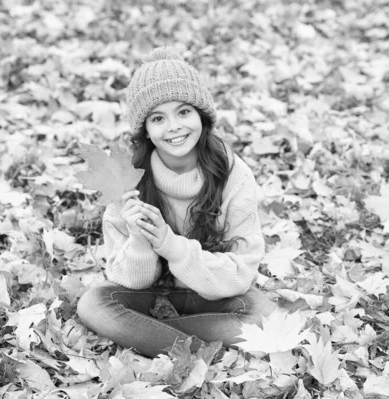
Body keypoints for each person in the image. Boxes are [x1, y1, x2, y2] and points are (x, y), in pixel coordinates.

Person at [77, 47, 276, 358]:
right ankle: (197, 349)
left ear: (202, 116)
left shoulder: (233, 174)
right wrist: (139, 236)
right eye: (158, 118)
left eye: (184, 112)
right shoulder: (129, 180)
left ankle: (152, 335)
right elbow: (128, 281)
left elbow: (240, 274)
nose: (174, 127)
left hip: (209, 296)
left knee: (263, 312)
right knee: (94, 303)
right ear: (146, 130)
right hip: (147, 296)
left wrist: (171, 245)